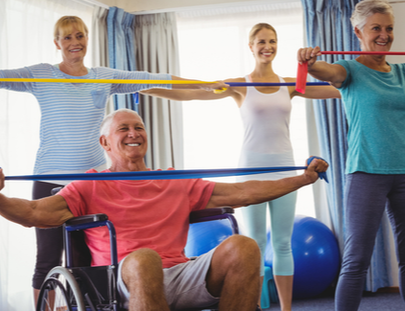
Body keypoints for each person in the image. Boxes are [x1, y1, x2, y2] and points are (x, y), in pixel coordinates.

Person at [0, 108, 328, 311]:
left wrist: (302, 178)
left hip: (181, 274)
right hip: (123, 279)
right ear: (105, 143)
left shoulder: (174, 180)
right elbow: (33, 214)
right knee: (145, 258)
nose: (133, 133)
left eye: (139, 127)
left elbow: (243, 191)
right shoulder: (89, 185)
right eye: (124, 129)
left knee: (244, 247)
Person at [0, 15, 226, 304]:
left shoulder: (102, 77)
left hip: (90, 185)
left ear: (87, 40)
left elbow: (152, 79)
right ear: (57, 43)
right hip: (49, 179)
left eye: (79, 36)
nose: (74, 43)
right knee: (47, 260)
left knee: (86, 261)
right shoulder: (41, 74)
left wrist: (204, 84)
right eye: (67, 37)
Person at [141, 22, 340, 310]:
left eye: (272, 41)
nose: (267, 47)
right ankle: (256, 306)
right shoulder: (239, 85)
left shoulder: (290, 84)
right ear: (250, 46)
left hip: (285, 168)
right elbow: (193, 93)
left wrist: (367, 79)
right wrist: (145, 88)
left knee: (283, 243)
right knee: (255, 241)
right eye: (261, 41)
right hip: (251, 169)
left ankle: (285, 308)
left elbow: (337, 90)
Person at [297, 0, 405, 311]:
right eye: (376, 28)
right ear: (358, 33)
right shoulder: (349, 71)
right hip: (366, 173)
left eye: (389, 28)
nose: (384, 35)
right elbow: (324, 72)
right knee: (356, 261)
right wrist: (309, 63)